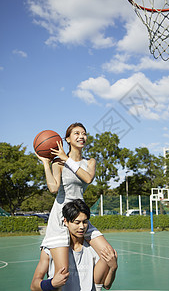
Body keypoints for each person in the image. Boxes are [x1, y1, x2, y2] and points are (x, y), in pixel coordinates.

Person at [36, 123, 114, 279]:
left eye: (84, 133)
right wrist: (46, 163)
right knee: (62, 272)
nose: (81, 136)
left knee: (109, 254)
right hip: (60, 216)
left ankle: (97, 287)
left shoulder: (90, 162)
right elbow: (53, 188)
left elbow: (88, 178)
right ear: (68, 139)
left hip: (81, 215)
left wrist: (67, 158)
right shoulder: (58, 162)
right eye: (76, 133)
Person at [30, 199, 118, 291]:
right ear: (66, 222)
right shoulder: (50, 250)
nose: (82, 227)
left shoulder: (93, 249)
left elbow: (106, 285)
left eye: (85, 222)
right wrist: (52, 283)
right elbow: (34, 286)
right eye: (77, 222)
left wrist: (113, 268)